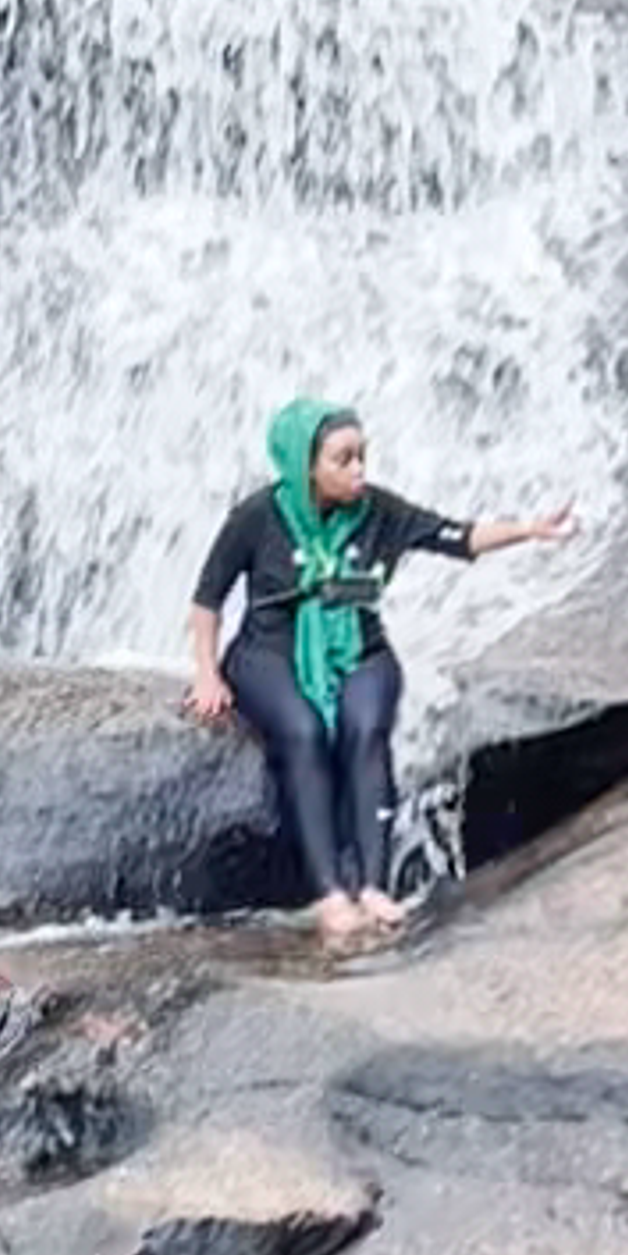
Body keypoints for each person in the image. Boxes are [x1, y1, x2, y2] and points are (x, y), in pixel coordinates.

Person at [184, 396, 578, 943]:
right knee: (302, 730)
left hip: (360, 650)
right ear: (306, 465)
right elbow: (206, 602)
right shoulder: (257, 517)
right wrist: (207, 675)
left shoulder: (378, 511)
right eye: (343, 459)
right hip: (268, 652)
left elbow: (457, 537)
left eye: (362, 456)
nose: (359, 471)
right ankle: (329, 895)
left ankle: (372, 885)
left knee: (366, 729)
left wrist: (530, 529)